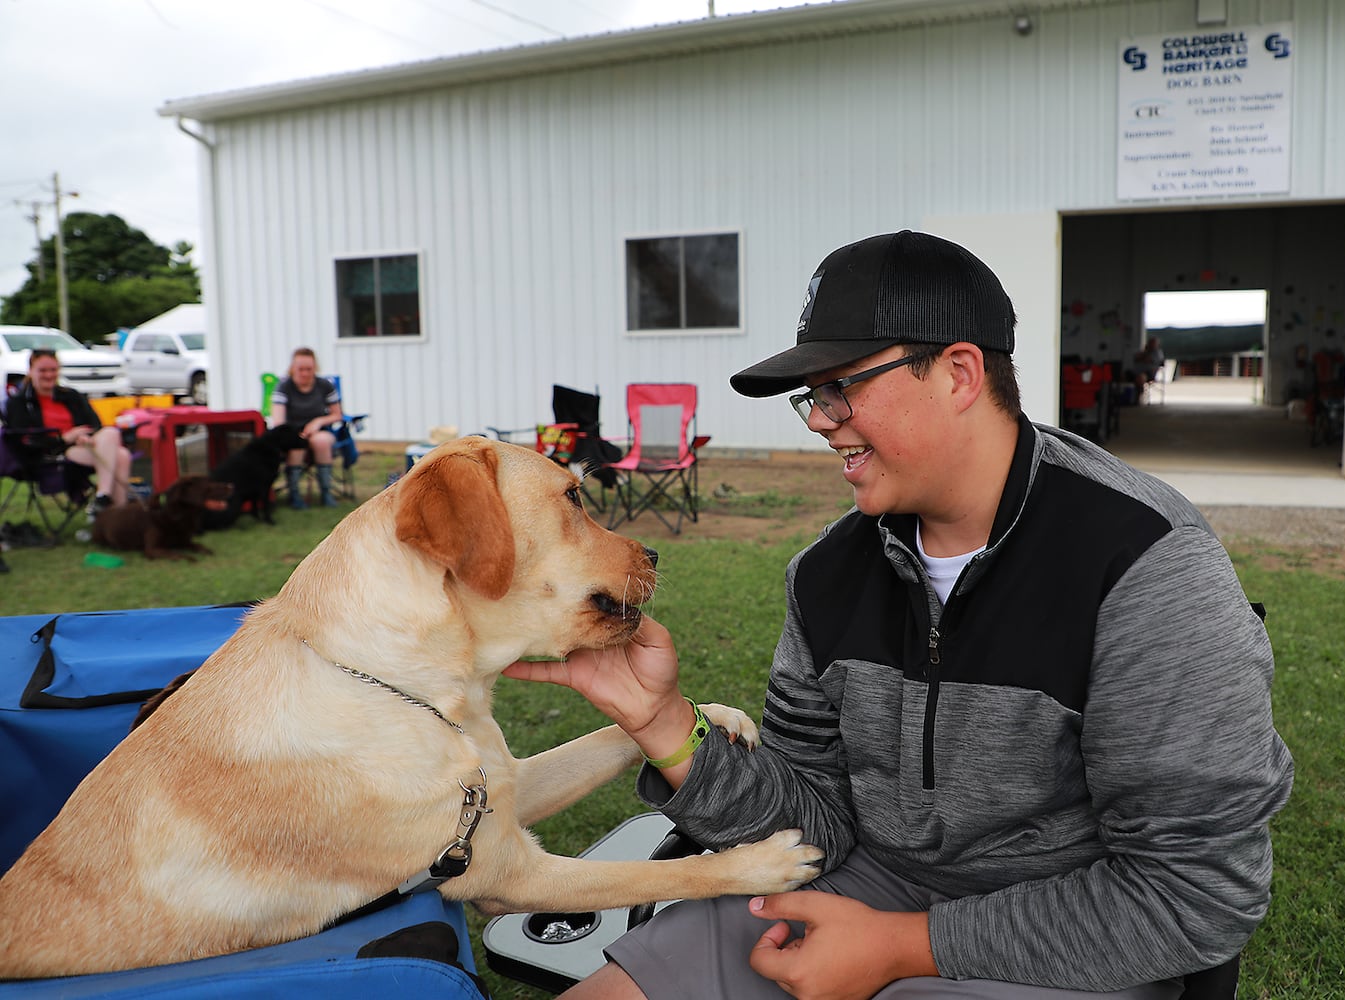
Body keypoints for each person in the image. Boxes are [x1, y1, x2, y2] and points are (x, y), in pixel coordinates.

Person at [508, 231, 1293, 1000]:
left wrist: (899, 950)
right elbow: (812, 823)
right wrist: (663, 721)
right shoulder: (826, 576)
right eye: (811, 396)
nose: (820, 418)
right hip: (866, 885)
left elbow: (1191, 895)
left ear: (957, 373)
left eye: (842, 385)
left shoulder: (1144, 567)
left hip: (1064, 932)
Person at [3, 349, 132, 520]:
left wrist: (85, 435)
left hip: (86, 447)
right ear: (30, 371)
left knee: (112, 437)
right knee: (121, 455)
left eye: (53, 370)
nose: (49, 375)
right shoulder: (19, 403)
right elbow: (24, 440)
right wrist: (63, 439)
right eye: (42, 370)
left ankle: (107, 504)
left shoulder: (71, 395)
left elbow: (95, 423)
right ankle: (114, 512)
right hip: (52, 455)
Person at [269, 347, 343, 509]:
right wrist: (298, 433)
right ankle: (294, 494)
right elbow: (279, 422)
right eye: (300, 369)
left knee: (322, 441)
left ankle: (326, 492)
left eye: (309, 369)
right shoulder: (283, 387)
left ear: (314, 368)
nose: (305, 373)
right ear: (292, 368)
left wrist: (317, 422)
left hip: (320, 431)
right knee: (297, 446)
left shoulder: (325, 385)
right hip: (292, 433)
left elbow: (337, 414)